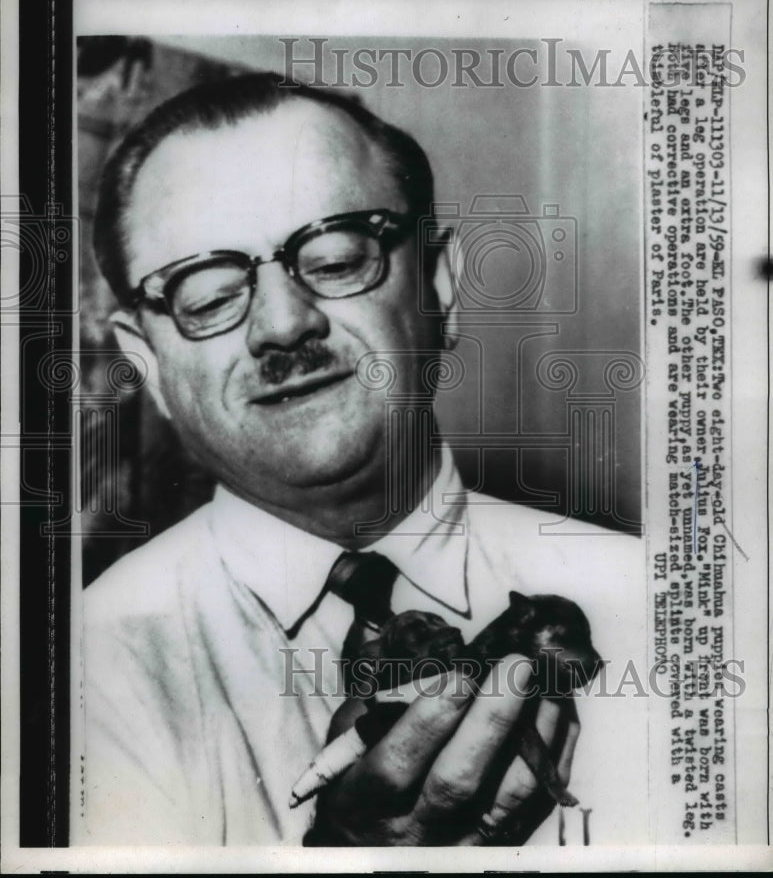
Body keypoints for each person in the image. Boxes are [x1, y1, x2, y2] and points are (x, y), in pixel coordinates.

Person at [80, 72, 646, 847]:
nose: (283, 325)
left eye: (338, 258)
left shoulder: (663, 607)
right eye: (207, 296)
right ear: (148, 366)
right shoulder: (76, 675)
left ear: (439, 288)